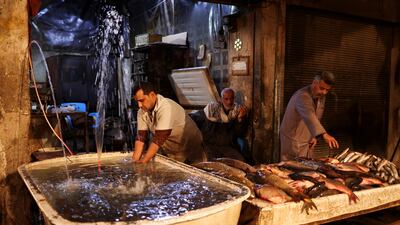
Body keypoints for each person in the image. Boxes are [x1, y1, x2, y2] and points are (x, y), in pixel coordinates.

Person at [132, 82, 206, 164]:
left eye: (142, 100)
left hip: (191, 148)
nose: (139, 105)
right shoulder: (142, 111)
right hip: (173, 150)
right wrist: (135, 162)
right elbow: (140, 138)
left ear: (152, 95)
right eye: (137, 101)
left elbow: (159, 139)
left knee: (196, 172)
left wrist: (144, 161)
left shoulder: (165, 107)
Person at [280, 71, 339, 160]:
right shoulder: (302, 96)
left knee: (307, 166)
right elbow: (309, 116)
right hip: (293, 138)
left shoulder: (321, 96)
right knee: (292, 167)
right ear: (314, 83)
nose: (324, 92)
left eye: (327, 90)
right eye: (322, 88)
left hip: (307, 138)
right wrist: (323, 134)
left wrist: (314, 136)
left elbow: (317, 117)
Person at [198, 88, 252, 162]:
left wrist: (240, 119)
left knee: (241, 161)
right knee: (212, 164)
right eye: (226, 99)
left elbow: (239, 133)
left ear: (234, 98)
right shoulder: (212, 110)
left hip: (227, 145)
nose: (229, 102)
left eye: (231, 98)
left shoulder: (237, 111)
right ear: (221, 99)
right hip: (211, 145)